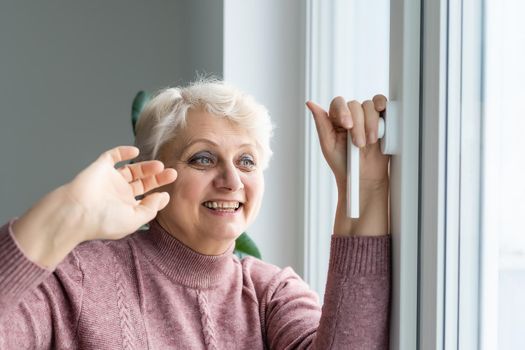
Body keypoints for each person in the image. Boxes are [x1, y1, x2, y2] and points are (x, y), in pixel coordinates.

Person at [0, 79, 390, 349]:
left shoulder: (270, 293)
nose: (232, 180)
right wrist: (68, 213)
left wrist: (365, 185)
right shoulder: (76, 279)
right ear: (153, 177)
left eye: (247, 161)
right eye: (203, 158)